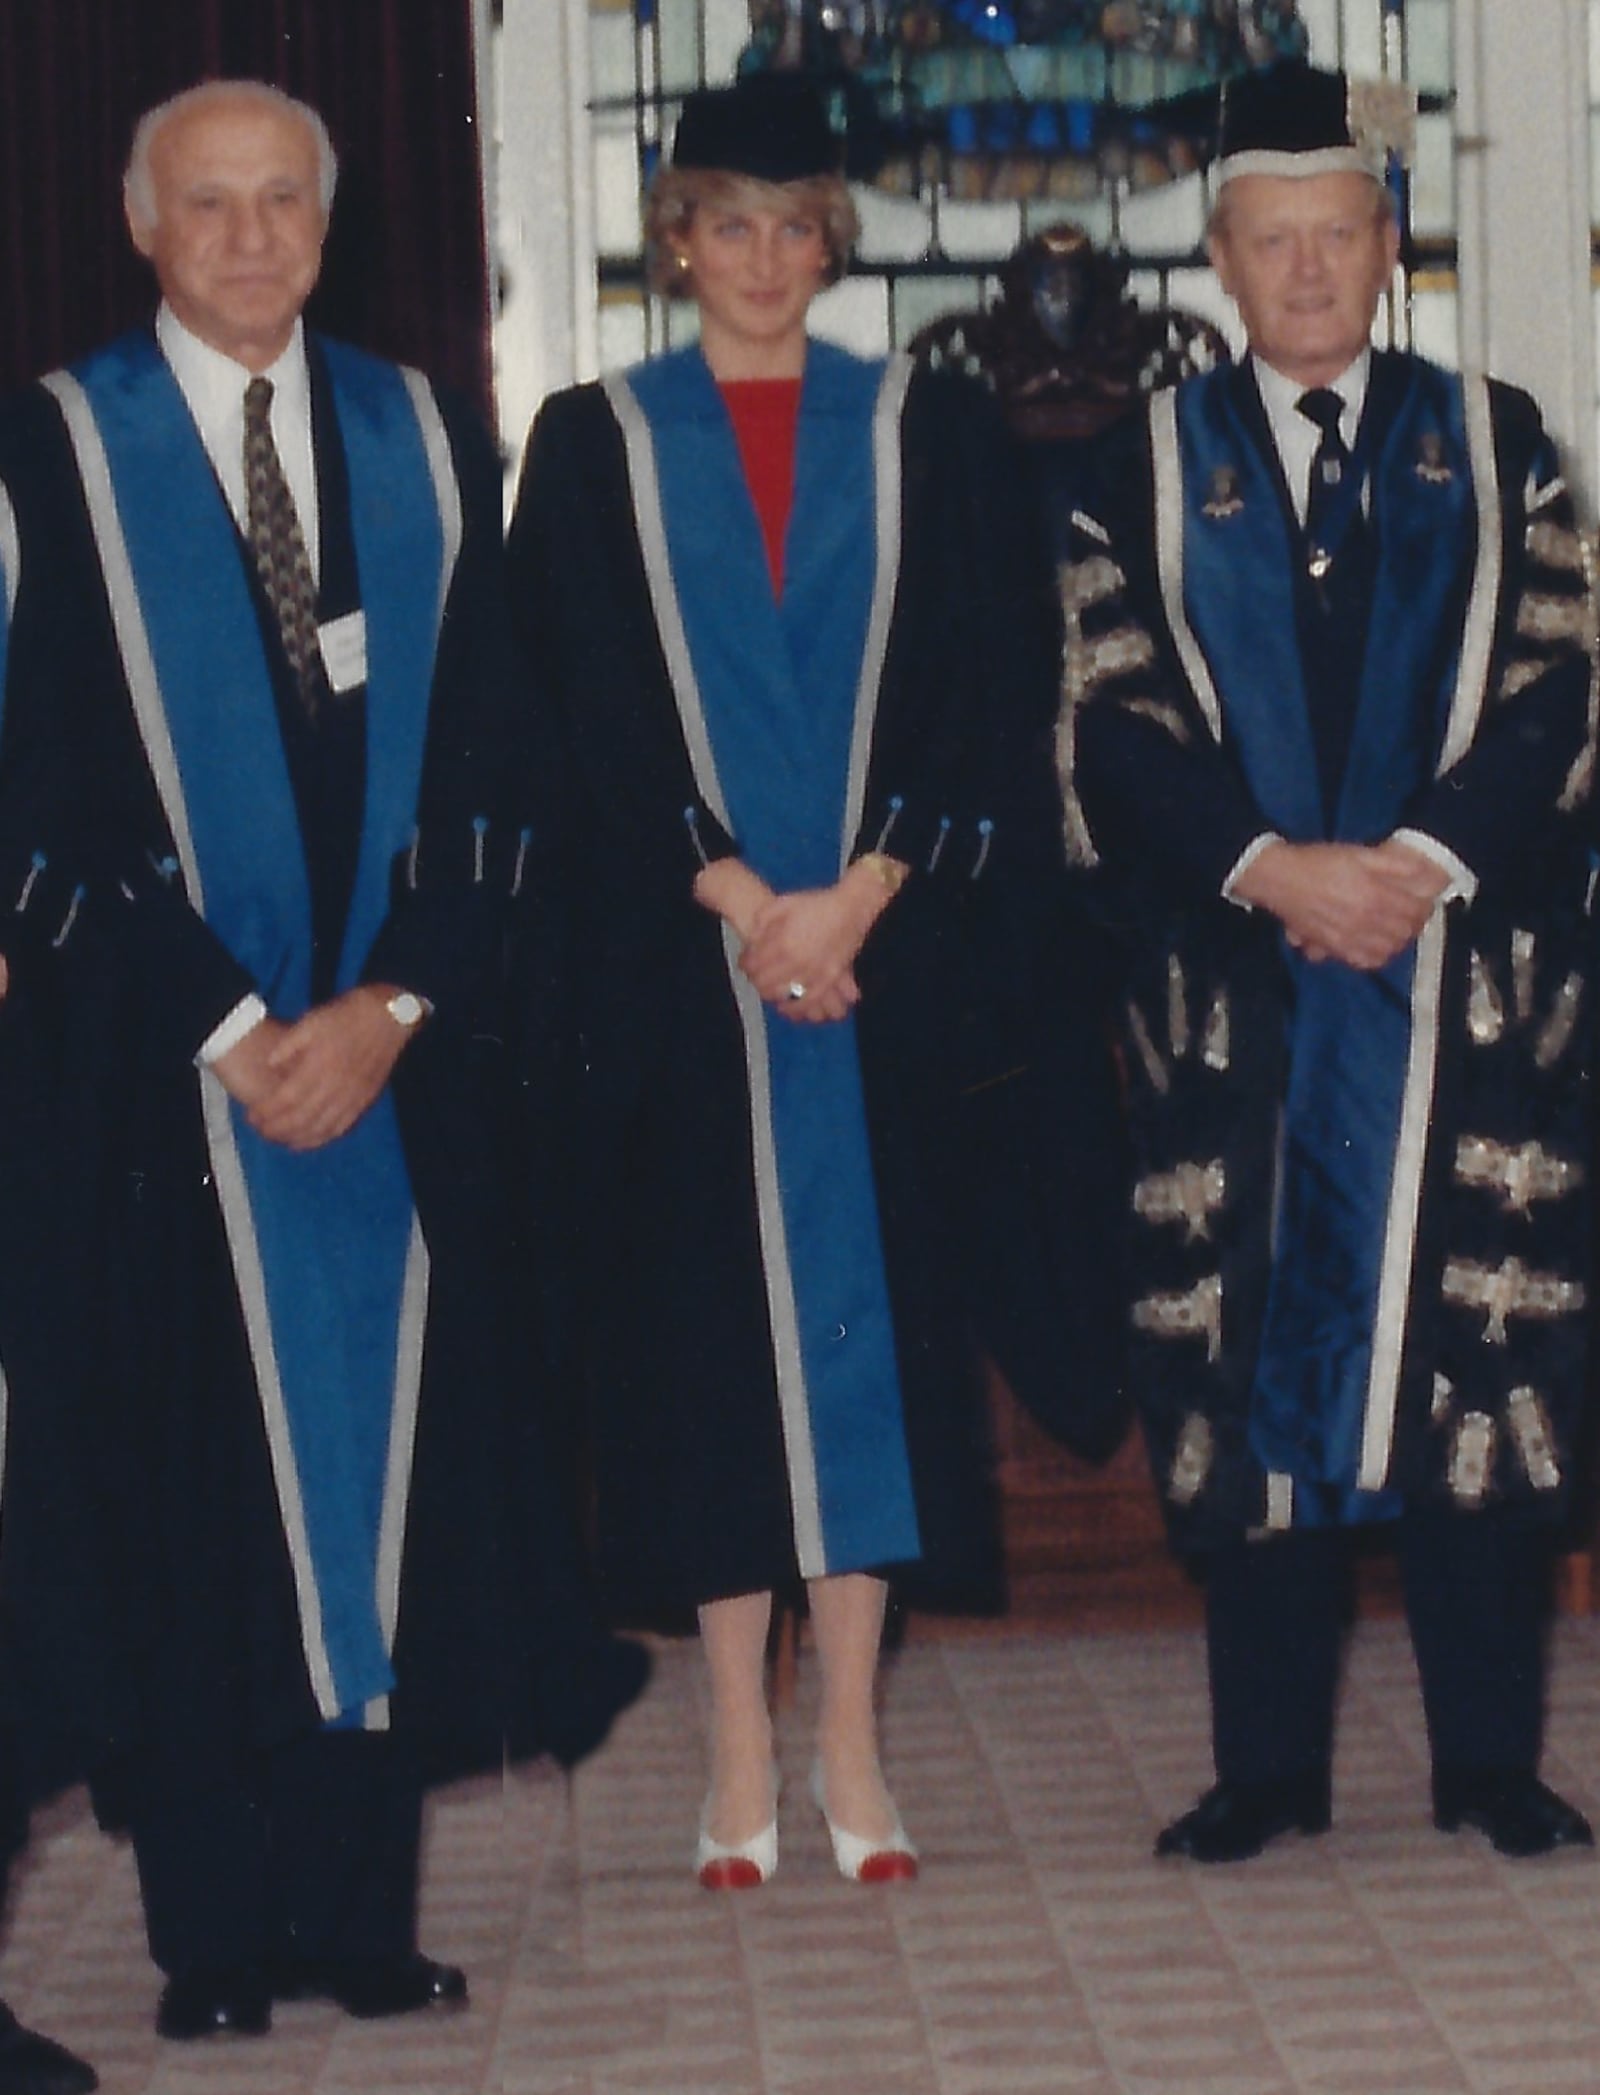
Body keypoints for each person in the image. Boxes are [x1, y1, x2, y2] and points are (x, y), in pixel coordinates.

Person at [0, 78, 644, 2041]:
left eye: (285, 202)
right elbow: (28, 806)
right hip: (149, 1086)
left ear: (328, 219)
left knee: (396, 1479)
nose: (253, 238)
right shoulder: (46, 455)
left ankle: (359, 1913)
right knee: (183, 1496)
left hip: (393, 1075)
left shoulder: (429, 440)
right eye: (212, 205)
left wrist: (391, 1004)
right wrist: (229, 1018)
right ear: (140, 219)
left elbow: (506, 774)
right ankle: (213, 1935)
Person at [507, 73, 1081, 1888]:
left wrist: (860, 898)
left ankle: (850, 1741)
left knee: (871, 1357)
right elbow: (576, 708)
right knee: (704, 1363)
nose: (763, 256)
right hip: (689, 976)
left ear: (834, 241)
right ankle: (737, 1744)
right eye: (727, 222)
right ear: (678, 239)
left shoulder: (936, 427)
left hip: (882, 970)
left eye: (795, 223)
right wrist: (750, 897)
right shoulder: (592, 438)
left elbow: (988, 691)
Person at [1065, 59, 1596, 1863]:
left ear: (1388, 244)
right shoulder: (1129, 470)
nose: (1305, 270)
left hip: (1463, 988)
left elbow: (1557, 685)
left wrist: (1421, 865)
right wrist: (1276, 869)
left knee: (1475, 1350)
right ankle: (1268, 1766)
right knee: (1250, 1353)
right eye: (1268, 239)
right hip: (1245, 989)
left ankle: (1489, 1761)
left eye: (1336, 235)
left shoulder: (1500, 438)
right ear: (1220, 254)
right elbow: (1108, 719)